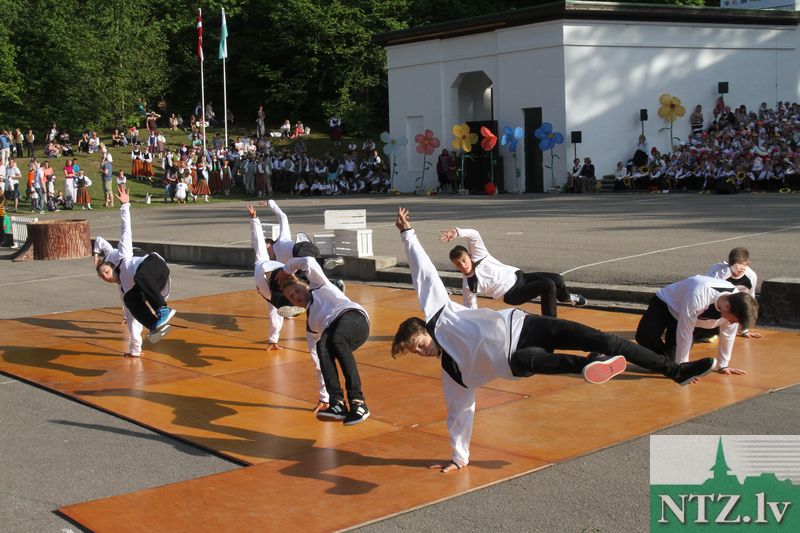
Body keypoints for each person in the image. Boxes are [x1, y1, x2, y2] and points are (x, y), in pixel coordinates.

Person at [392, 207, 716, 472]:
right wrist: (458, 458)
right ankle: (586, 366)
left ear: (425, 328)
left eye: (419, 345)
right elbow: (459, 412)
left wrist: (408, 235)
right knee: (529, 360)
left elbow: (424, 275)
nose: (422, 353)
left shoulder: (441, 315)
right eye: (416, 353)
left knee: (606, 340)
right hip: (516, 359)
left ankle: (675, 371)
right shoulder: (452, 373)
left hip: (527, 325)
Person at [247, 206, 330, 413]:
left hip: (281, 280)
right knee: (280, 307)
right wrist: (254, 220)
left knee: (305, 280)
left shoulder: (276, 264)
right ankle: (298, 303)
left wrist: (255, 219)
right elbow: (258, 242)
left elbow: (261, 240)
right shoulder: (263, 266)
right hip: (272, 289)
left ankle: (323, 280)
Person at [281, 254, 371, 426]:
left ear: (306, 286)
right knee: (323, 346)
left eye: (297, 290)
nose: (296, 296)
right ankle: (337, 404)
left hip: (354, 318)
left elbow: (308, 261)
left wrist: (286, 269)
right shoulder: (311, 325)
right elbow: (318, 361)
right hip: (339, 335)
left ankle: (358, 402)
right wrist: (324, 397)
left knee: (335, 339)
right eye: (291, 297)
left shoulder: (319, 285)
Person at [439, 227, 586, 317]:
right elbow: (470, 308)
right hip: (512, 294)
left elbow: (474, 235)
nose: (463, 266)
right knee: (547, 285)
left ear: (469, 256)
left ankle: (567, 298)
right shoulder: (469, 284)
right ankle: (550, 324)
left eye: (463, 260)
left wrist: (456, 232)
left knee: (557, 279)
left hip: (520, 277)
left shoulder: (479, 254)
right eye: (458, 264)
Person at [95, 186, 176, 345]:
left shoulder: (123, 257)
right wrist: (135, 347)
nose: (105, 276)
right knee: (130, 300)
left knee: (139, 276)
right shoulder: (125, 289)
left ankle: (163, 310)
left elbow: (126, 231)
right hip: (158, 287)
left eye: (106, 271)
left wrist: (125, 205)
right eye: (102, 277)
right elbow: (131, 317)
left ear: (112, 266)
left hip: (156, 266)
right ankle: (153, 325)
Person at [635, 275, 759, 376]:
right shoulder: (700, 294)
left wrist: (723, 365)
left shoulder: (736, 305)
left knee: (672, 361)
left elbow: (728, 336)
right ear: (727, 307)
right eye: (734, 321)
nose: (732, 324)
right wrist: (683, 369)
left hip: (685, 316)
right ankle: (641, 355)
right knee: (645, 336)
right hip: (666, 303)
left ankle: (655, 360)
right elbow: (685, 331)